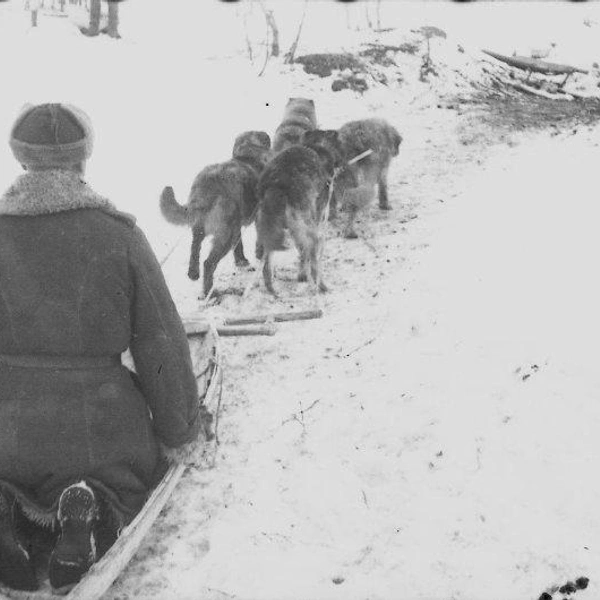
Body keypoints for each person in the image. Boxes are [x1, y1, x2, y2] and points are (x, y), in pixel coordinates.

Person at [0, 103, 201, 591]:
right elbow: (160, 343)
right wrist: (180, 430)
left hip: (7, 423)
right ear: (82, 161)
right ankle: (85, 504)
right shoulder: (120, 236)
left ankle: (6, 508)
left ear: (20, 160)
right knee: (120, 474)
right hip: (101, 424)